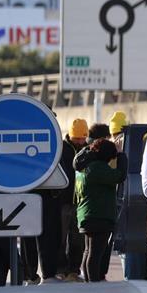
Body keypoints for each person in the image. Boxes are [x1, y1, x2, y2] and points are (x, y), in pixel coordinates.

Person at [75, 138, 127, 282]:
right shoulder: (97, 168)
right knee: (95, 253)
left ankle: (89, 282)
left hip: (87, 214)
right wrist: (121, 155)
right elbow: (120, 176)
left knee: (89, 251)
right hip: (99, 215)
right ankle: (93, 284)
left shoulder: (84, 167)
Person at [56, 118, 88, 281]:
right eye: (77, 139)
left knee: (78, 239)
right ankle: (60, 270)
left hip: (80, 202)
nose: (81, 141)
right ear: (70, 136)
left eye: (83, 138)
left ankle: (73, 270)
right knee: (60, 238)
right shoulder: (61, 149)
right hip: (63, 201)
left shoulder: (88, 150)